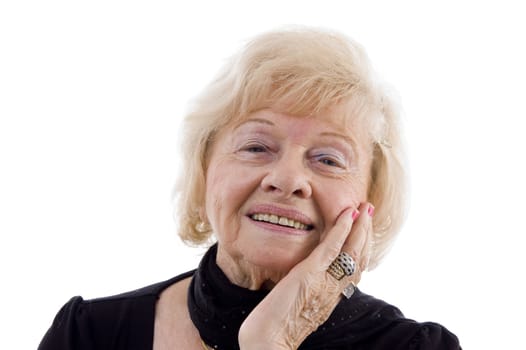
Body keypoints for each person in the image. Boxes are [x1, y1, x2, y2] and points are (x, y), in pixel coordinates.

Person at [38, 27, 461, 349]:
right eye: (257, 147)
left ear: (371, 199)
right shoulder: (88, 335)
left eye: (328, 159)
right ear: (205, 172)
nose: (288, 179)